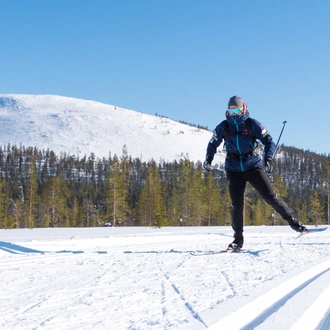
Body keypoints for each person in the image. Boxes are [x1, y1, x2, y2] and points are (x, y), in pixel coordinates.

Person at [203, 95, 307, 250]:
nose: (234, 114)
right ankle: (237, 240)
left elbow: (268, 140)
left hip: (253, 166)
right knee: (236, 205)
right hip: (233, 169)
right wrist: (208, 159)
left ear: (243, 109)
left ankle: (296, 224)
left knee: (271, 197)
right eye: (231, 111)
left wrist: (268, 158)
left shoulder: (252, 124)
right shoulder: (224, 127)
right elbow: (213, 143)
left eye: (237, 110)